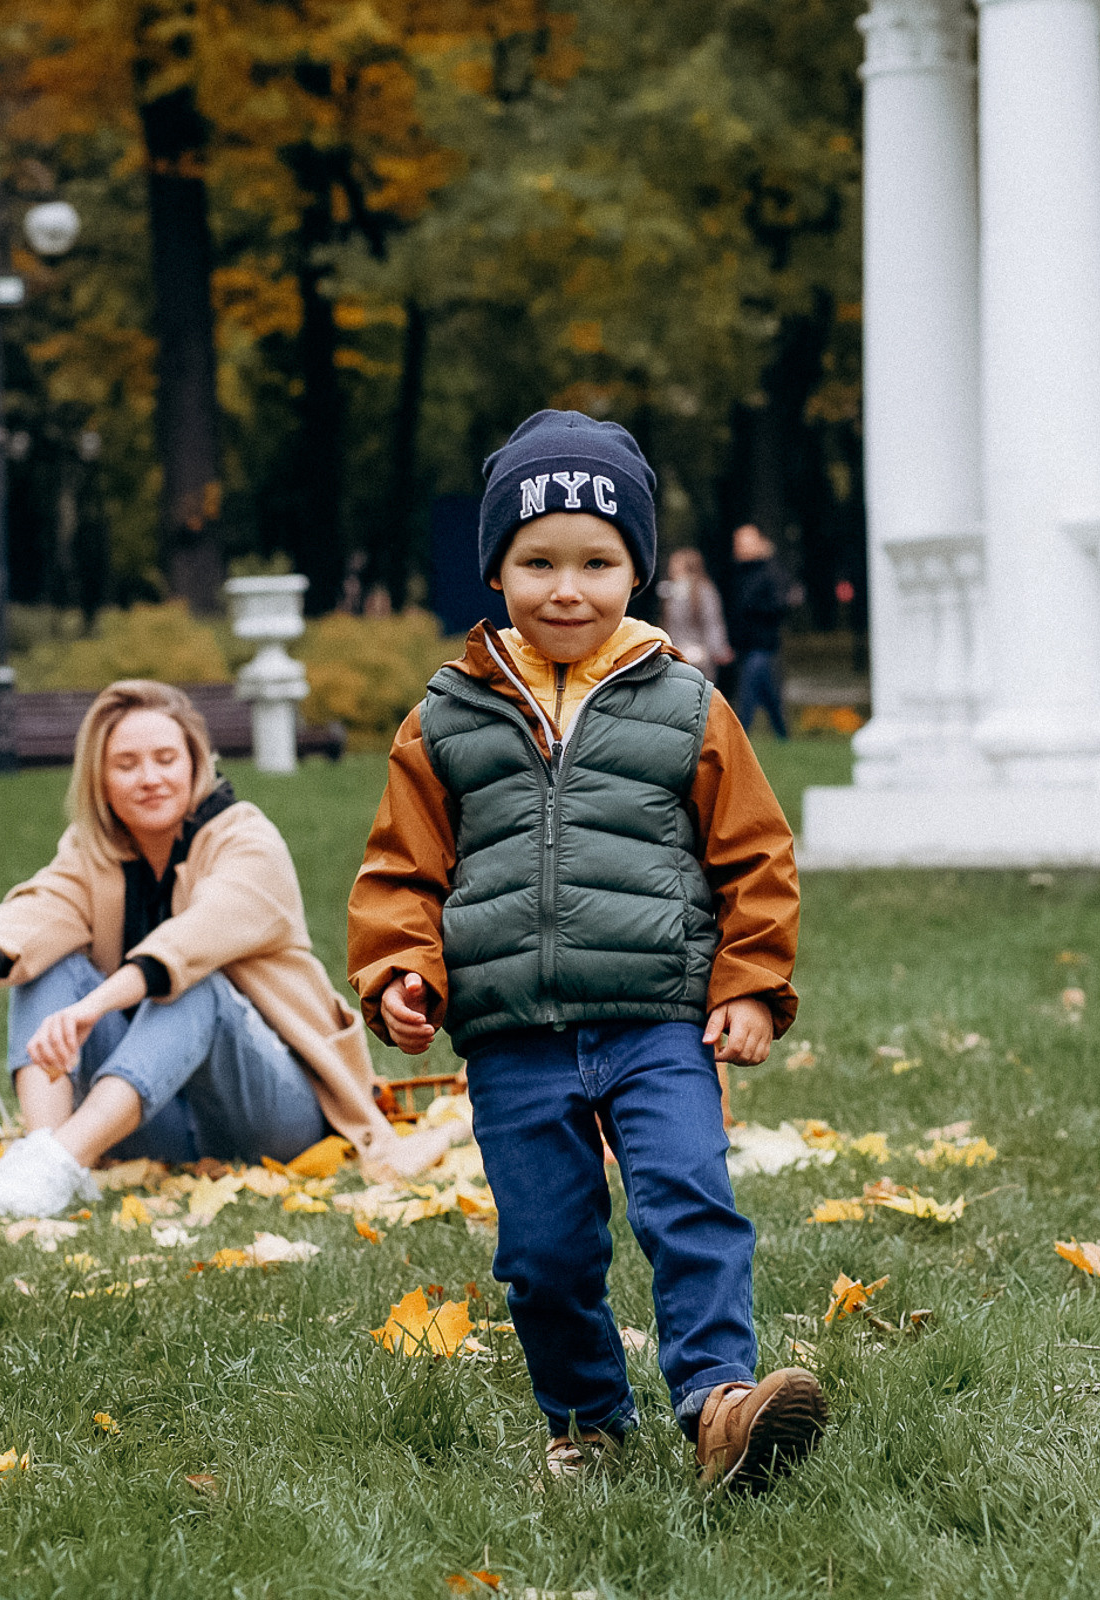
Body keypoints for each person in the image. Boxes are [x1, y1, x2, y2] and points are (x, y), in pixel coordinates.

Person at [348, 409, 826, 1493]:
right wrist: (399, 975)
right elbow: (401, 872)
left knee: (689, 1198)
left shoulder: (687, 704)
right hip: (514, 1034)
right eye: (539, 561)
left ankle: (719, 1405)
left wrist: (751, 985)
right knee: (546, 1252)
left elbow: (755, 854)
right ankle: (586, 1424)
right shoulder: (447, 716)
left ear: (638, 570)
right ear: (497, 570)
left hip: (657, 1018)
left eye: (598, 562)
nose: (569, 588)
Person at [0, 679, 452, 1216]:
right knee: (40, 966)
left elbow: (191, 941)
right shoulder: (95, 852)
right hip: (158, 1119)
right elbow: (39, 911)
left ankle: (58, 1161)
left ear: (194, 763)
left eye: (165, 758)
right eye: (126, 764)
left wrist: (94, 1006)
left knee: (197, 988)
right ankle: (46, 1165)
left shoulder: (247, 840)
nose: (150, 778)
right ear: (100, 779)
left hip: (277, 1115)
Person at [726, 523, 792, 740]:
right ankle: (782, 733)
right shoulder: (739, 574)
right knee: (767, 693)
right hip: (745, 644)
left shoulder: (771, 571)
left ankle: (738, 735)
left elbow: (780, 605)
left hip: (763, 644)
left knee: (748, 691)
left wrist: (753, 609)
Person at [658, 546, 732, 673]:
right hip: (676, 653)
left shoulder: (704, 591)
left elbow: (712, 622)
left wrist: (717, 648)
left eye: (676, 564)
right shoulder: (671, 592)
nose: (671, 568)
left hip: (701, 656)